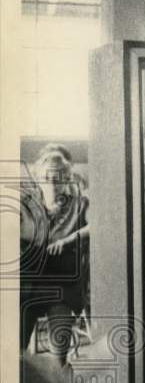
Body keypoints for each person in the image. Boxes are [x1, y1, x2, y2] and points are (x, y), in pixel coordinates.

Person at [20, 144, 91, 362]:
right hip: (28, 283)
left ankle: (58, 377)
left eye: (59, 178)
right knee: (14, 347)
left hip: (63, 285)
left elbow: (99, 224)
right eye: (47, 178)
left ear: (68, 178)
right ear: (38, 178)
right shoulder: (26, 204)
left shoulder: (81, 203)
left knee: (58, 351)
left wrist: (70, 239)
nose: (53, 183)